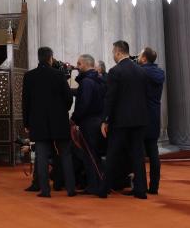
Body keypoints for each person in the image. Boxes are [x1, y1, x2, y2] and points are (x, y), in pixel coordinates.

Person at [22, 46, 75, 198]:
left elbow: (25, 102)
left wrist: (27, 123)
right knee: (65, 155)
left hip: (38, 123)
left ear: (38, 58)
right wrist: (63, 111)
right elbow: (68, 98)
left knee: (42, 156)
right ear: (51, 58)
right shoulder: (59, 75)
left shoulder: (29, 76)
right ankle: (71, 189)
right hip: (59, 122)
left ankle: (45, 190)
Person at [99, 40, 149, 200]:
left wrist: (105, 120)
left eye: (113, 52)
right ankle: (141, 190)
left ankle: (104, 189)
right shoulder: (141, 71)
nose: (113, 55)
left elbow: (110, 98)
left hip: (120, 121)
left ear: (118, 52)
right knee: (138, 155)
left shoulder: (115, 71)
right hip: (139, 119)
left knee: (112, 154)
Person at [70, 54, 106, 194]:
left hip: (89, 123)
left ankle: (95, 186)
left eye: (79, 64)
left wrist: (74, 119)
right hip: (98, 121)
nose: (77, 66)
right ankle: (97, 184)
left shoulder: (86, 82)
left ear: (86, 64)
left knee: (89, 156)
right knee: (94, 155)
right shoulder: (99, 80)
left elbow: (83, 104)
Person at [138, 47, 165, 195]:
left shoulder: (140, 72)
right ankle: (154, 187)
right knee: (154, 153)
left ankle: (140, 186)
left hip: (141, 116)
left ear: (144, 58)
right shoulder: (160, 72)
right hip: (154, 115)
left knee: (138, 154)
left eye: (140, 55)